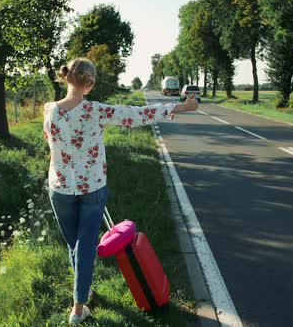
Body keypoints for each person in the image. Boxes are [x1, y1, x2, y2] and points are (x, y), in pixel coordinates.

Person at [43, 57, 198, 325]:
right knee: (85, 246)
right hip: (92, 187)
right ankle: (79, 307)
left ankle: (84, 290)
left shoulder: (49, 110)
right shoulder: (94, 110)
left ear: (67, 77)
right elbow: (136, 115)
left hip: (60, 188)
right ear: (89, 83)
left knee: (75, 244)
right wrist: (180, 107)